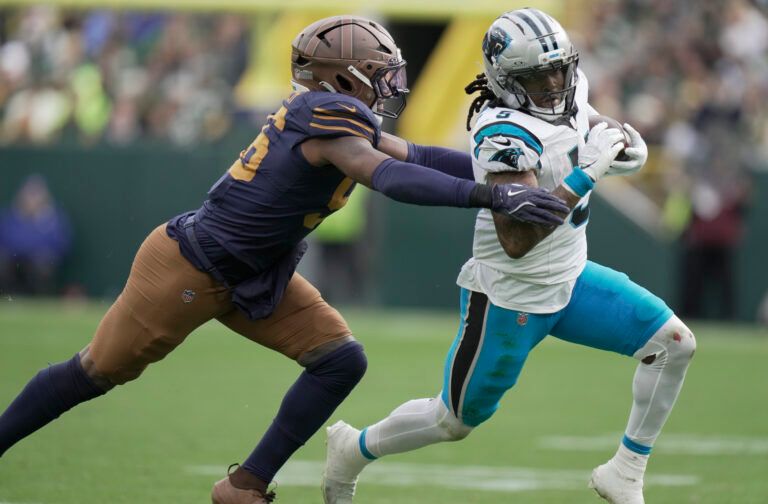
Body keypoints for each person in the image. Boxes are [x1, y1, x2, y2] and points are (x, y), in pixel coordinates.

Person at [0, 15, 569, 504]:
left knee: (341, 361)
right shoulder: (328, 117)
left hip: (256, 272)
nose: (391, 82)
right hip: (191, 268)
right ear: (344, 76)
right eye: (380, 71)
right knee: (94, 373)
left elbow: (415, 153)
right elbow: (388, 175)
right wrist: (492, 194)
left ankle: (245, 486)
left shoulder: (338, 112)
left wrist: (497, 165)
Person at [321, 9, 696, 504]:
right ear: (505, 81)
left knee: (674, 343)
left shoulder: (568, 86)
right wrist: (585, 174)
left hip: (571, 279)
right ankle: (352, 449)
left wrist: (625, 143)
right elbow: (518, 242)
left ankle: (625, 470)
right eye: (537, 77)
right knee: (453, 420)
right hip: (510, 296)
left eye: (559, 70)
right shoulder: (504, 134)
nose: (553, 83)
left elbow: (589, 121)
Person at [0, 174, 72, 297]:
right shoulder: (11, 217)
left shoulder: (53, 219)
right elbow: (6, 239)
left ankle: (39, 298)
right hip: (14, 260)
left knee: (41, 266)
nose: (32, 200)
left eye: (36, 195)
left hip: (38, 263)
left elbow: (61, 244)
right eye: (29, 195)